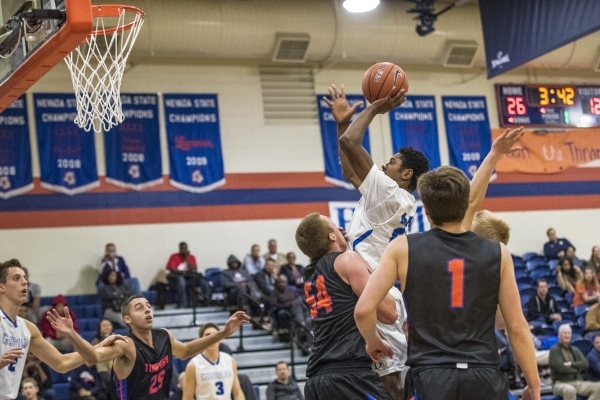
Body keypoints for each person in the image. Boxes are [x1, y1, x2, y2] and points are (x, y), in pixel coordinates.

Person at [325, 83, 525, 396]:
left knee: (389, 383)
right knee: (386, 380)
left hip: (375, 291)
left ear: (406, 175)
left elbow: (351, 142)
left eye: (391, 161)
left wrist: (376, 107)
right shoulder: (385, 195)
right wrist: (341, 123)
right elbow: (350, 169)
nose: (384, 164)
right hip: (376, 289)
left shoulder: (389, 194)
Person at [354, 166, 540, 400]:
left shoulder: (403, 248)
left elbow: (363, 310)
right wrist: (533, 384)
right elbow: (517, 327)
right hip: (483, 376)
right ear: (465, 205)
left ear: (427, 209)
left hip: (431, 377)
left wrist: (373, 341)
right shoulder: (499, 253)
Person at [45, 293, 250, 400]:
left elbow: (186, 351)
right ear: (127, 319)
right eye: (139, 308)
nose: (147, 310)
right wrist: (72, 334)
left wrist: (223, 333)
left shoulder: (164, 336)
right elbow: (91, 358)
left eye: (148, 306)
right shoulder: (125, 345)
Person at [295, 212, 397, 400]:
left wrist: (338, 240)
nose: (339, 227)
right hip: (348, 376)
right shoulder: (348, 260)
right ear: (332, 236)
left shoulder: (308, 277)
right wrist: (369, 268)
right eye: (334, 224)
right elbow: (389, 314)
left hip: (316, 382)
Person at [0, 259, 122, 400]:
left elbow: (61, 363)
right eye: (16, 278)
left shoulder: (28, 328)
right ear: (1, 287)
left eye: (25, 278)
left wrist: (97, 345)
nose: (24, 282)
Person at [182, 323, 244, 400]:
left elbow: (238, 393)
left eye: (215, 335)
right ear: (201, 340)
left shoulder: (230, 360)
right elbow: (187, 398)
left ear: (220, 339)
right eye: (208, 335)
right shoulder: (193, 365)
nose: (212, 338)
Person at [549, 324, 600, 399]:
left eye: (569, 333)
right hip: (560, 383)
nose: (567, 335)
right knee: (569, 390)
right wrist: (578, 369)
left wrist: (571, 364)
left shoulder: (575, 349)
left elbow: (585, 364)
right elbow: (560, 368)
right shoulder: (554, 350)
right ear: (559, 335)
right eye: (565, 333)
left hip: (578, 382)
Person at [165, 242, 210, 308]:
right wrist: (183, 272)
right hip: (177, 278)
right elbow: (171, 269)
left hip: (189, 278)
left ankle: (206, 301)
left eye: (185, 248)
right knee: (181, 281)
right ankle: (183, 303)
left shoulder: (191, 257)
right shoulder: (174, 256)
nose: (184, 250)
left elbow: (194, 269)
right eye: (182, 248)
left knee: (203, 281)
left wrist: (187, 258)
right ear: (179, 249)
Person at [269, 275, 306, 342]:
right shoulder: (274, 292)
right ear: (277, 283)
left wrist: (291, 304)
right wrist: (287, 304)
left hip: (295, 310)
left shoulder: (291, 291)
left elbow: (298, 300)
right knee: (282, 313)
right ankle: (288, 330)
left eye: (283, 282)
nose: (282, 284)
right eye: (280, 282)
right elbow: (274, 304)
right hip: (283, 310)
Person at [90, 319, 115, 391]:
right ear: (99, 329)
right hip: (102, 369)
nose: (106, 327)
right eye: (104, 326)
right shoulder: (95, 342)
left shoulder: (118, 339)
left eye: (108, 325)